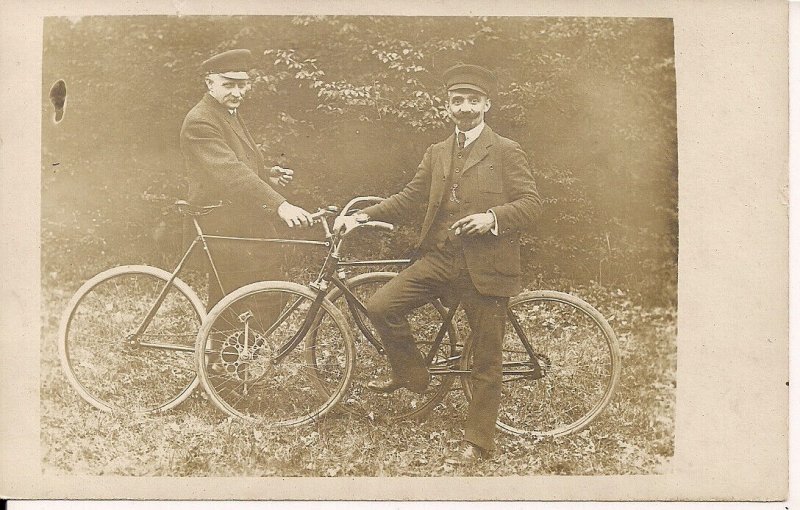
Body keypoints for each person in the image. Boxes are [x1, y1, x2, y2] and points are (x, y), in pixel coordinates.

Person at [336, 64, 541, 461]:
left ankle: (478, 442)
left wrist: (491, 217)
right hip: (442, 258)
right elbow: (409, 197)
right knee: (381, 305)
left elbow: (531, 204)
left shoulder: (506, 149)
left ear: (487, 104)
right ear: (446, 106)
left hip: (487, 266)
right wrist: (360, 217)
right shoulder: (437, 152)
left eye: (472, 100)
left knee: (485, 356)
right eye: (456, 101)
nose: (464, 108)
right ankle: (413, 373)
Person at [180, 48, 314, 310]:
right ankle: (232, 350)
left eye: (243, 85)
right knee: (254, 295)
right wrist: (280, 204)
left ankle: (226, 349)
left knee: (251, 293)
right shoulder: (200, 120)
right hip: (220, 222)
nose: (237, 93)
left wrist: (268, 176)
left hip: (240, 218)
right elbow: (230, 172)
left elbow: (242, 161)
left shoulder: (226, 113)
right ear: (210, 83)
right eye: (228, 85)